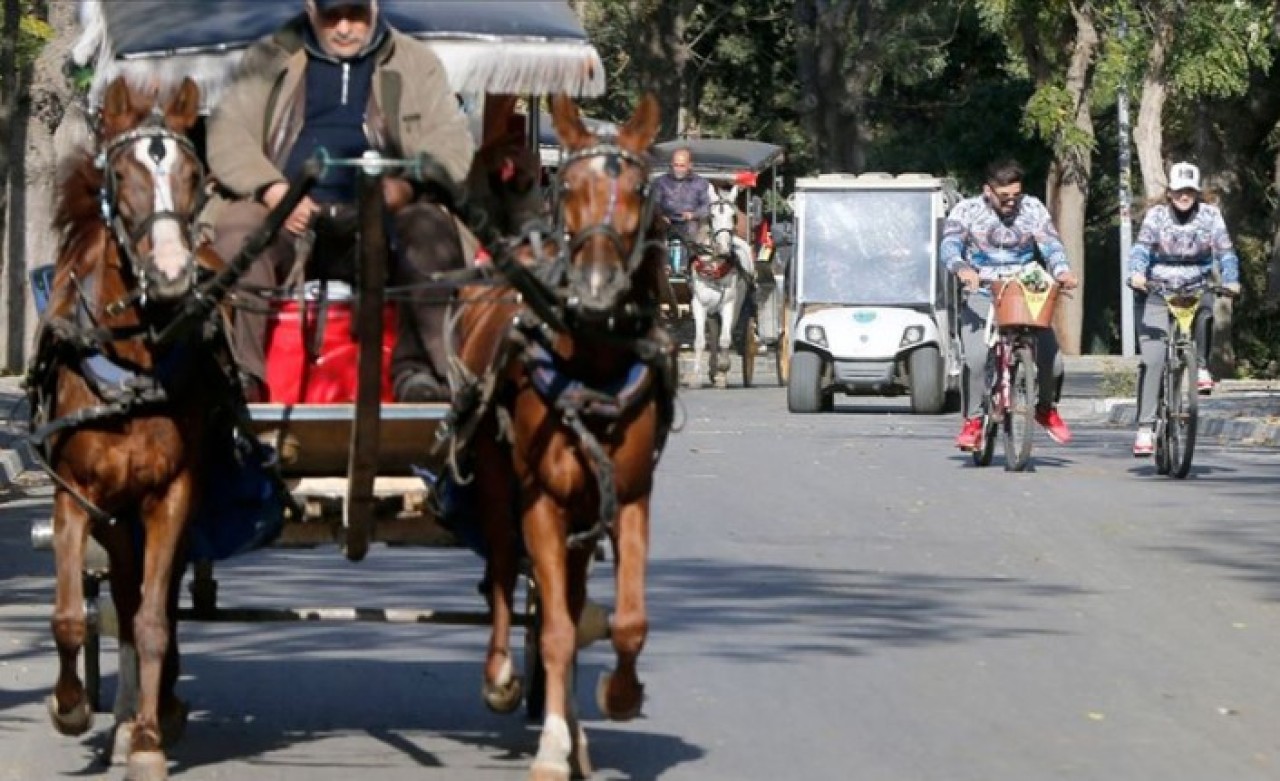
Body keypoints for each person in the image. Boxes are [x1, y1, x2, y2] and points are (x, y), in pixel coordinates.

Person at [205, 0, 475, 402]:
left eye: (356, 15)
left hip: (382, 221)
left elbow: (451, 143)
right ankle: (241, 376)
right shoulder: (267, 57)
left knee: (429, 228)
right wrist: (273, 192)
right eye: (333, 16)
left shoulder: (418, 63)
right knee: (239, 231)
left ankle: (421, 375)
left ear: (374, 6)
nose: (345, 27)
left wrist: (405, 186)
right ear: (311, 8)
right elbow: (227, 135)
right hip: (287, 218)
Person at [941, 159, 1080, 450]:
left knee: (1052, 362)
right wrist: (962, 268)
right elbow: (950, 244)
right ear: (987, 191)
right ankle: (973, 421)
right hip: (983, 288)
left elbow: (1051, 244)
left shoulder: (1032, 208)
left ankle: (1045, 408)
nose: (1011, 203)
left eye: (1016, 196)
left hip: (1025, 288)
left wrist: (1062, 270)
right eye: (1004, 197)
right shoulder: (967, 210)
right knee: (976, 358)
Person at [1127, 161, 1241, 456]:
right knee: (1153, 359)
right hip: (1156, 290)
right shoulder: (1156, 216)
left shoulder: (1210, 216)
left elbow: (1225, 251)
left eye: (1189, 190)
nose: (1184, 196)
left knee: (1206, 306)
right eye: (1179, 191)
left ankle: (1200, 365)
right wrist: (1137, 274)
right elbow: (1140, 249)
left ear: (1197, 192)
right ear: (1169, 193)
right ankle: (1145, 428)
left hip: (1193, 287)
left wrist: (1231, 280)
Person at [652, 146, 711, 249]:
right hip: (667, 223)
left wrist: (693, 215)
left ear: (690, 165)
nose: (678, 169)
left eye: (682, 166)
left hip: (690, 224)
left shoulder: (700, 183)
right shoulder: (660, 182)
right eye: (676, 165)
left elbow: (706, 206)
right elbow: (654, 203)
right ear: (671, 164)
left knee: (698, 234)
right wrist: (660, 216)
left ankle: (691, 259)